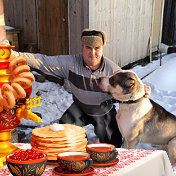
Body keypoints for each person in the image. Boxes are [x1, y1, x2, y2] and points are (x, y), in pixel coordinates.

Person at [7, 29, 151, 148]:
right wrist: (15, 55)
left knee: (112, 150)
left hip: (104, 113)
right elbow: (43, 61)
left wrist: (143, 92)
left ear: (102, 48)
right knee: (59, 135)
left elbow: (132, 89)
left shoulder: (113, 71)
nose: (92, 53)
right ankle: (72, 150)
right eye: (88, 48)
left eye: (97, 48)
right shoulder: (70, 63)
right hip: (79, 108)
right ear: (82, 47)